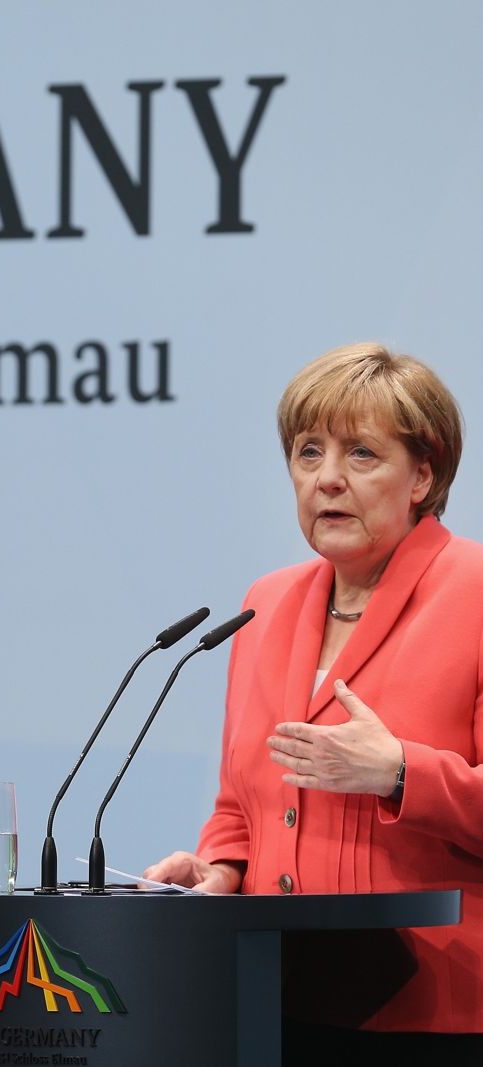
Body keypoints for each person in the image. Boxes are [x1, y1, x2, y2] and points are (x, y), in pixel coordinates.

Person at [144, 343, 483, 1063]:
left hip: (440, 1013)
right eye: (307, 452)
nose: (326, 477)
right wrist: (221, 869)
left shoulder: (475, 593)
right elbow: (239, 804)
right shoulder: (265, 604)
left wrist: (400, 772)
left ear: (422, 475)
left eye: (361, 453)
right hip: (276, 1001)